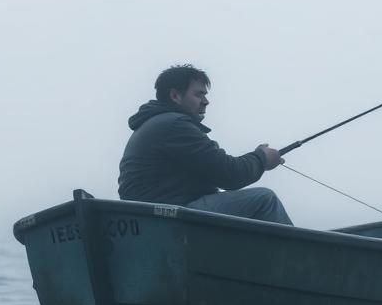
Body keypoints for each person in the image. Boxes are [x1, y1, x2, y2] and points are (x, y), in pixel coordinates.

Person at [118, 64, 293, 225]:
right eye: (198, 94)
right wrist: (262, 158)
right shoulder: (174, 126)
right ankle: (300, 257)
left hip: (153, 217)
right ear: (175, 95)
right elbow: (230, 174)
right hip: (169, 217)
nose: (206, 101)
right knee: (264, 199)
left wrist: (258, 157)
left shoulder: (159, 125)